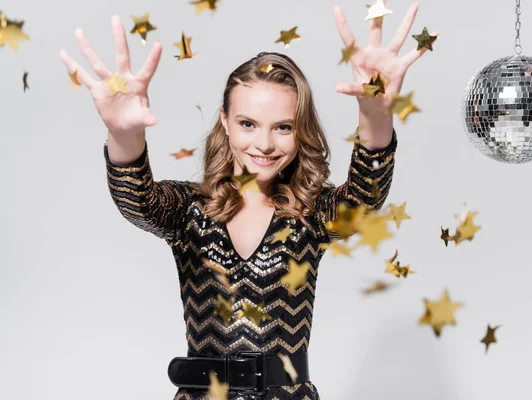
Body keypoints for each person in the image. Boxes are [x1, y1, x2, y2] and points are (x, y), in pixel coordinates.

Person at [59, 2, 432, 399]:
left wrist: (375, 116)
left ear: (300, 129)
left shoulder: (311, 214)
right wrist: (123, 135)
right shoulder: (190, 210)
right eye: (248, 124)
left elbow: (364, 197)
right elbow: (138, 200)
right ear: (224, 119)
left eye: (283, 127)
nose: (265, 144)